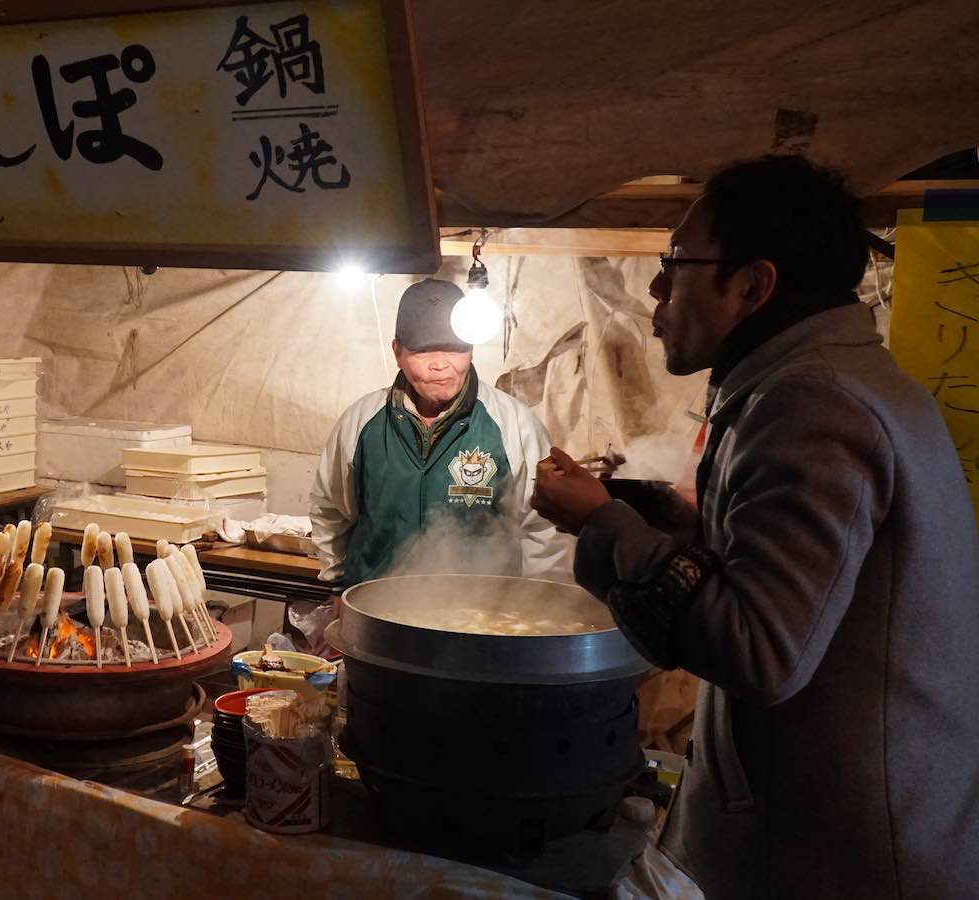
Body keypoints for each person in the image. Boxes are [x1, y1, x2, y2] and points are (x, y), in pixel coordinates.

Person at [532, 155, 979, 900]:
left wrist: (604, 524)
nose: (656, 287)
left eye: (676, 262)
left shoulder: (816, 402)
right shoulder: (820, 381)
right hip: (843, 836)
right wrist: (670, 518)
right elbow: (804, 578)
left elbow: (762, 648)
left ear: (752, 284)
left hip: (850, 856)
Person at [310, 278, 568, 602]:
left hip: (482, 616)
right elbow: (330, 508)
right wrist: (336, 585)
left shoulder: (515, 426)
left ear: (471, 347)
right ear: (398, 352)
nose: (441, 364)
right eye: (422, 350)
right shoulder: (360, 423)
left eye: (456, 347)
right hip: (375, 609)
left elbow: (543, 529)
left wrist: (535, 607)